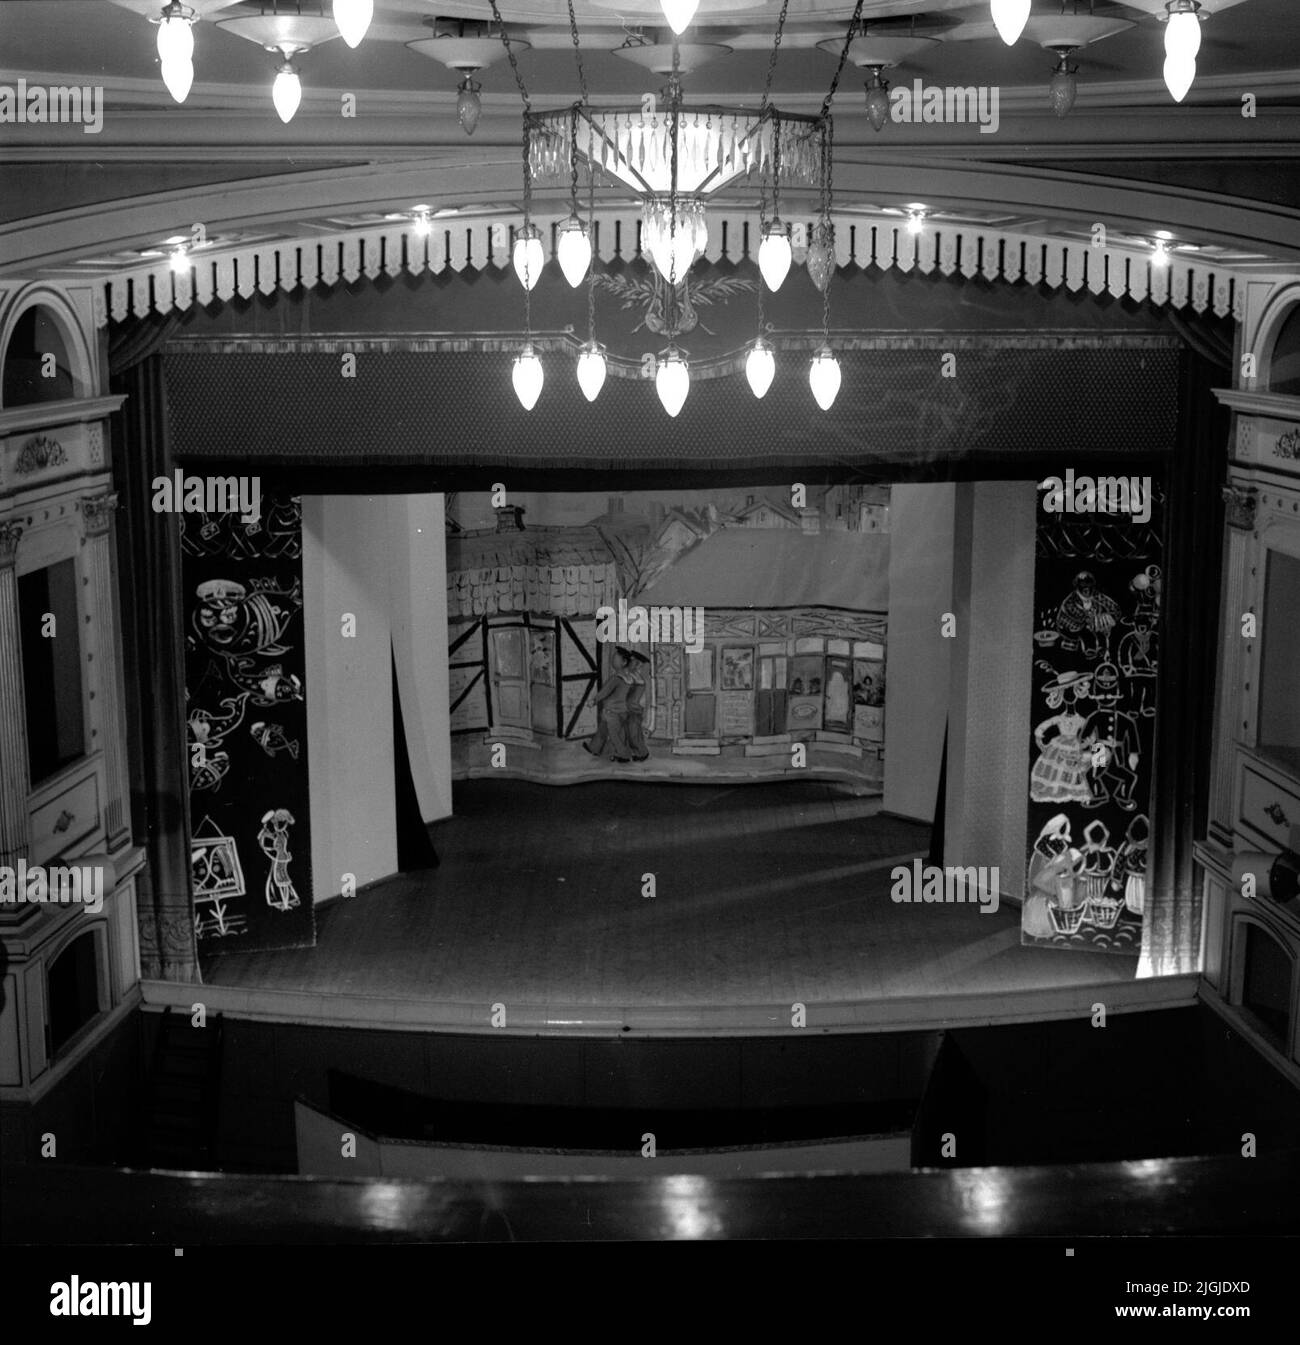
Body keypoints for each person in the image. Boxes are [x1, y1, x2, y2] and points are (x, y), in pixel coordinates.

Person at [585, 647, 635, 762]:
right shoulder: (629, 679)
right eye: (613, 658)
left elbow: (604, 692)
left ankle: (623, 755)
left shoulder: (615, 679)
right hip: (622, 711)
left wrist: (594, 700)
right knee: (604, 730)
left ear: (624, 662)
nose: (613, 660)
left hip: (611, 711)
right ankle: (594, 748)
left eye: (616, 659)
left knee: (615, 735)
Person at [625, 650, 651, 761]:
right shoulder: (634, 675)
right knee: (633, 732)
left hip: (634, 709)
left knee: (634, 733)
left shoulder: (636, 677)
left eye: (633, 661)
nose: (631, 663)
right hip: (631, 708)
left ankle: (642, 753)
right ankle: (639, 752)